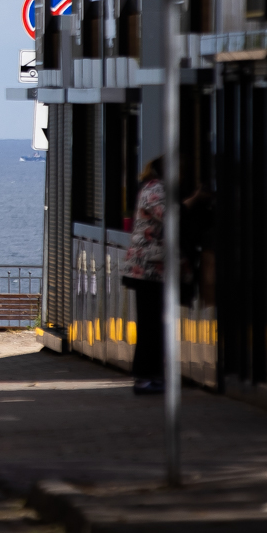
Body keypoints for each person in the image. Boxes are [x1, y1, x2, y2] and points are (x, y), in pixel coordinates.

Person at [123, 157, 166, 395]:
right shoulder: (157, 190)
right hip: (149, 268)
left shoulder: (149, 188)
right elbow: (171, 218)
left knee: (151, 323)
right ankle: (146, 376)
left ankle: (150, 375)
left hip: (146, 267)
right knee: (151, 324)